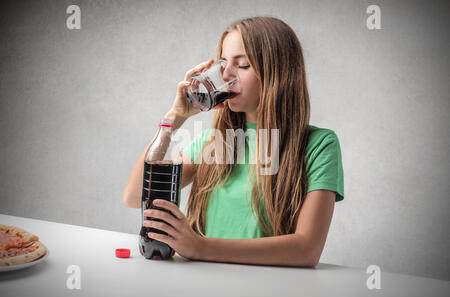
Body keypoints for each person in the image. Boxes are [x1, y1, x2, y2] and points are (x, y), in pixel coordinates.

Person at [123, 16, 344, 267]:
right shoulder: (212, 142)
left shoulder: (319, 145)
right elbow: (134, 196)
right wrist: (174, 118)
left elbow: (306, 250)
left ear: (278, 75)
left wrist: (199, 247)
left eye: (243, 65)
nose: (226, 74)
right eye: (223, 63)